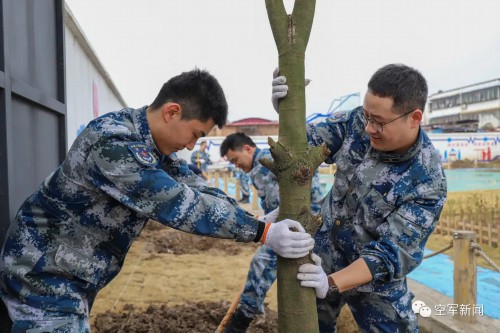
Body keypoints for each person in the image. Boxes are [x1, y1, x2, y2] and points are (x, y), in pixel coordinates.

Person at [0, 69, 315, 332]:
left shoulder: (152, 146)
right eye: (194, 134)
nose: (191, 146)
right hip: (43, 274)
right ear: (172, 112)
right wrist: (262, 233)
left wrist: (259, 222)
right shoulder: (114, 143)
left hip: (71, 274)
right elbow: (180, 203)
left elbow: (197, 188)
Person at [272, 64, 447, 332]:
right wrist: (285, 112)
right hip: (323, 255)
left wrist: (329, 283)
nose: (368, 128)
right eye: (367, 116)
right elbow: (303, 146)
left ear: (414, 117)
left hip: (375, 278)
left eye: (378, 121)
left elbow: (391, 252)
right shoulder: (357, 123)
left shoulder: (427, 180)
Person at [220, 132, 324, 332]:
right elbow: (271, 204)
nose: (236, 165)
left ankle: (241, 321)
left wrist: (273, 222)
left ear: (247, 149)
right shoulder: (257, 169)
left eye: (235, 160)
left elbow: (308, 195)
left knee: (261, 263)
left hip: (301, 225)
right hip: (282, 227)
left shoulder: (275, 161)